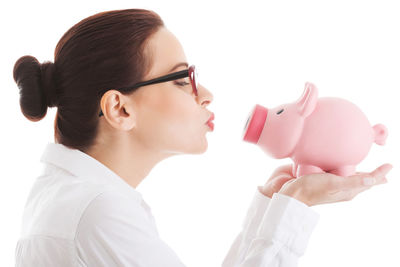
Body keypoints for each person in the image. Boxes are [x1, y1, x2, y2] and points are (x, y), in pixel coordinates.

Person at [12, 8, 393, 267]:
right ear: (120, 109)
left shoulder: (69, 196)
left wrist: (273, 207)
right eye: (182, 79)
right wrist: (296, 206)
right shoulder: (97, 212)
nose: (205, 93)